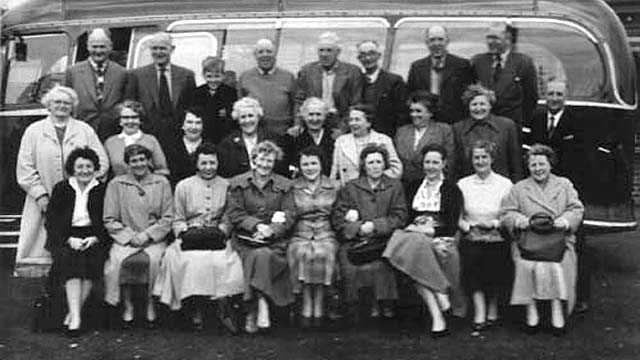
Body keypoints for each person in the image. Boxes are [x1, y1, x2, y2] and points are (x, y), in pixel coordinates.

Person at [15, 85, 109, 277]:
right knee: (41, 253)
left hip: (78, 202)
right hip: (43, 200)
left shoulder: (85, 130)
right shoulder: (33, 131)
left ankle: (70, 299)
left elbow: (102, 162)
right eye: (57, 102)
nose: (62, 106)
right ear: (48, 105)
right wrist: (40, 196)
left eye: (67, 103)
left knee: (74, 253)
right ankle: (43, 295)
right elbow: (24, 168)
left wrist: (83, 189)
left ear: (73, 106)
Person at [154, 143, 243, 333]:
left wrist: (221, 231)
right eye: (204, 163)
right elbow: (177, 219)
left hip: (216, 235)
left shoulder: (227, 185)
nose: (208, 167)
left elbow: (229, 217)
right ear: (196, 164)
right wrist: (185, 233)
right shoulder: (183, 186)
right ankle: (193, 306)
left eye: (212, 163)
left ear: (218, 163)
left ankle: (220, 306)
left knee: (222, 260)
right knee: (184, 260)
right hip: (190, 235)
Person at [501, 144, 584, 335]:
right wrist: (520, 221)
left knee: (560, 264)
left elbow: (576, 209)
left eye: (542, 164)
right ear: (528, 167)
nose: (538, 169)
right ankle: (531, 310)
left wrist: (564, 222)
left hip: (558, 239)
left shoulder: (564, 185)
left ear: (550, 164)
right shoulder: (519, 188)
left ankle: (557, 309)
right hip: (528, 240)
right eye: (533, 165)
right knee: (525, 264)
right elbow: (507, 213)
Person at [383, 144, 463, 337]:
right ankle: (440, 296)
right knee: (413, 245)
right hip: (414, 234)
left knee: (415, 254)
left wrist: (428, 230)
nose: (431, 166)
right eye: (427, 162)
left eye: (435, 162)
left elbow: (452, 225)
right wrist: (415, 227)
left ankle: (437, 315)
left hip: (439, 233)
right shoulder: (413, 186)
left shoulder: (452, 189)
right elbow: (406, 218)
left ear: (444, 164)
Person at [529, 80, 589, 313]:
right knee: (539, 238)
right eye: (550, 93)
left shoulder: (577, 122)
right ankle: (540, 296)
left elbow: (585, 158)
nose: (554, 98)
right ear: (545, 95)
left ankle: (580, 295)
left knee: (576, 241)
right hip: (540, 187)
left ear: (565, 96)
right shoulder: (536, 118)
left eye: (559, 94)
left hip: (567, 188)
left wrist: (575, 192)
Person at [332, 144, 408, 322]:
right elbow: (338, 218)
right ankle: (356, 305)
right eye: (370, 162)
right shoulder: (351, 187)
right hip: (356, 240)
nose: (375, 166)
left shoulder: (395, 186)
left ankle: (384, 302)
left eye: (378, 162)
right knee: (348, 261)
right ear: (364, 165)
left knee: (383, 262)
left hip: (384, 239)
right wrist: (358, 227)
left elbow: (400, 216)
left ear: (385, 164)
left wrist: (375, 225)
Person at [225, 140, 293, 333]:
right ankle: (261, 303)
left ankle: (253, 308)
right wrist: (257, 225)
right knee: (257, 254)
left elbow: (289, 214)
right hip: (245, 239)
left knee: (262, 254)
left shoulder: (285, 185)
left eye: (269, 161)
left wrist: (271, 229)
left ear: (274, 162)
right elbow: (235, 213)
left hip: (274, 241)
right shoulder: (237, 183)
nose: (265, 165)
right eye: (261, 160)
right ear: (253, 160)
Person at [103, 144, 173, 329]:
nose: (138, 164)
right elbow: (109, 218)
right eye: (134, 160)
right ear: (127, 163)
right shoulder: (116, 184)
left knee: (156, 261)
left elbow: (167, 217)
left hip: (153, 238)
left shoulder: (161, 183)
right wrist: (129, 236)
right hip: (126, 238)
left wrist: (148, 235)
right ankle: (127, 305)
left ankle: (151, 303)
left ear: (148, 161)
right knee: (117, 262)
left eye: (142, 159)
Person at [45, 147, 111, 336]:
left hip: (94, 235)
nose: (84, 170)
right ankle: (76, 317)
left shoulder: (102, 189)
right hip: (65, 235)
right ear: (72, 169)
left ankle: (73, 314)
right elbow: (51, 220)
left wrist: (96, 238)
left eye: (89, 166)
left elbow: (109, 218)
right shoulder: (62, 188)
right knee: (71, 260)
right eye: (80, 166)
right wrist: (67, 239)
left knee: (92, 260)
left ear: (95, 168)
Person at [456, 141, 513, 332]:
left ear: (492, 159)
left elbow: (509, 213)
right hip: (471, 234)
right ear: (471, 160)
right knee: (472, 256)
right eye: (476, 157)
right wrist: (467, 227)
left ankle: (493, 305)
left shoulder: (505, 184)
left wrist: (495, 224)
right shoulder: (463, 184)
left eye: (484, 157)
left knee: (495, 258)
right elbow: (457, 215)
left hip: (497, 234)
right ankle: (479, 308)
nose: (480, 161)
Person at [282, 146, 339, 327]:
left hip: (326, 231)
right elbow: (288, 214)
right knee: (300, 252)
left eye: (314, 163)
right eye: (305, 164)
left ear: (321, 164)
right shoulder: (292, 187)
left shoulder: (334, 186)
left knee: (325, 252)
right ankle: (306, 300)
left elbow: (338, 214)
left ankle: (320, 300)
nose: (310, 168)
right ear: (299, 166)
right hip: (301, 232)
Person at [125, 32, 196, 153]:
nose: (158, 52)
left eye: (163, 48)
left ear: (172, 49)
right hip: (147, 137)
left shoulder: (186, 76)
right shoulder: (137, 75)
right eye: (154, 48)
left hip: (177, 137)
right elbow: (130, 106)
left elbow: (191, 107)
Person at [64, 28, 129, 141]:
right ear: (88, 47)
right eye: (94, 46)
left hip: (113, 135)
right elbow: (67, 104)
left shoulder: (122, 72)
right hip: (82, 134)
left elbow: (126, 103)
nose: (98, 51)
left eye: (102, 47)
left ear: (110, 47)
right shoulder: (73, 72)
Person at [295, 32, 363, 136]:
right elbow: (299, 100)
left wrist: (343, 129)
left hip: (339, 123)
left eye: (329, 50)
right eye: (321, 50)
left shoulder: (352, 72)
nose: (324, 54)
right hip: (312, 122)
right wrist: (298, 124)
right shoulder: (307, 71)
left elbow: (355, 104)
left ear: (338, 52)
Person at [471, 23, 538, 126]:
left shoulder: (524, 62)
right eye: (488, 38)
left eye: (495, 38)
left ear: (508, 39)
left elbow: (530, 98)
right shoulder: (478, 61)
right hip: (482, 125)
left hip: (511, 125)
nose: (490, 42)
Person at [453, 84, 523, 182]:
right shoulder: (458, 128)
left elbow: (516, 162)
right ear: (468, 107)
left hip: (501, 184)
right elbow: (456, 164)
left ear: (490, 105)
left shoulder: (507, 126)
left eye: (482, 104)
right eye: (474, 104)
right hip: (469, 184)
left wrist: (516, 186)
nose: (478, 108)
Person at [407, 25, 473, 124]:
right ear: (427, 43)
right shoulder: (417, 67)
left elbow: (468, 96)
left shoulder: (462, 65)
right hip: (426, 122)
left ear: (447, 41)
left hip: (455, 122)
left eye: (440, 39)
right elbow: (411, 95)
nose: (436, 43)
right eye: (432, 40)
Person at [330, 104, 402, 186]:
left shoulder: (383, 140)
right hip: (349, 191)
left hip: (376, 191)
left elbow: (396, 170)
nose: (353, 123)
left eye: (357, 120)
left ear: (368, 123)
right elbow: (335, 172)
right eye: (351, 120)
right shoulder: (341, 141)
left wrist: (375, 177)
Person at [394, 90, 455, 186]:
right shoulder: (401, 131)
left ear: (430, 113)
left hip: (433, 184)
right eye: (412, 111)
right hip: (404, 185)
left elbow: (449, 160)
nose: (413, 115)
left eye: (418, 111)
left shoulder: (443, 130)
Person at [238, 39, 297, 136]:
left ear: (275, 54)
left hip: (282, 132)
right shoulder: (245, 77)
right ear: (255, 56)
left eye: (269, 51)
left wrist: (296, 125)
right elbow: (239, 107)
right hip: (254, 132)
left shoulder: (288, 77)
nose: (265, 55)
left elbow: (295, 104)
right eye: (260, 52)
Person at [218, 97, 285, 178]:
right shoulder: (227, 143)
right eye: (243, 117)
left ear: (258, 117)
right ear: (237, 120)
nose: (247, 121)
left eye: (251, 116)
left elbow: (281, 170)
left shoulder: (273, 139)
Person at [104, 100, 169, 178]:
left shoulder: (151, 140)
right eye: (125, 118)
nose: (130, 121)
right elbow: (106, 172)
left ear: (140, 120)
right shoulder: (110, 143)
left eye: (134, 117)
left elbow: (163, 169)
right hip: (120, 187)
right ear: (120, 121)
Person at [357, 40, 407, 137]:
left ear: (379, 56)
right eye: (363, 55)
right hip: (360, 134)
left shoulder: (394, 81)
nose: (367, 58)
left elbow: (402, 113)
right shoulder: (356, 80)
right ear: (359, 58)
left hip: (387, 134)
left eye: (372, 54)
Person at [192, 56, 238, 145]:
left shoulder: (231, 93)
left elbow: (233, 117)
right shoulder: (197, 93)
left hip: (224, 136)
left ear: (223, 75)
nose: (213, 80)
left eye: (217, 76)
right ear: (203, 75)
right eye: (209, 76)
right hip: (203, 136)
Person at [284, 97, 334, 177]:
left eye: (318, 114)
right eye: (311, 114)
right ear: (303, 116)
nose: (315, 119)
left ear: (325, 116)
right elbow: (287, 165)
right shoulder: (294, 137)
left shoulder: (333, 137)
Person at [166, 111, 205, 186]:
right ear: (182, 125)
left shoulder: (210, 147)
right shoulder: (170, 148)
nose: (194, 127)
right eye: (189, 122)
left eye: (198, 123)